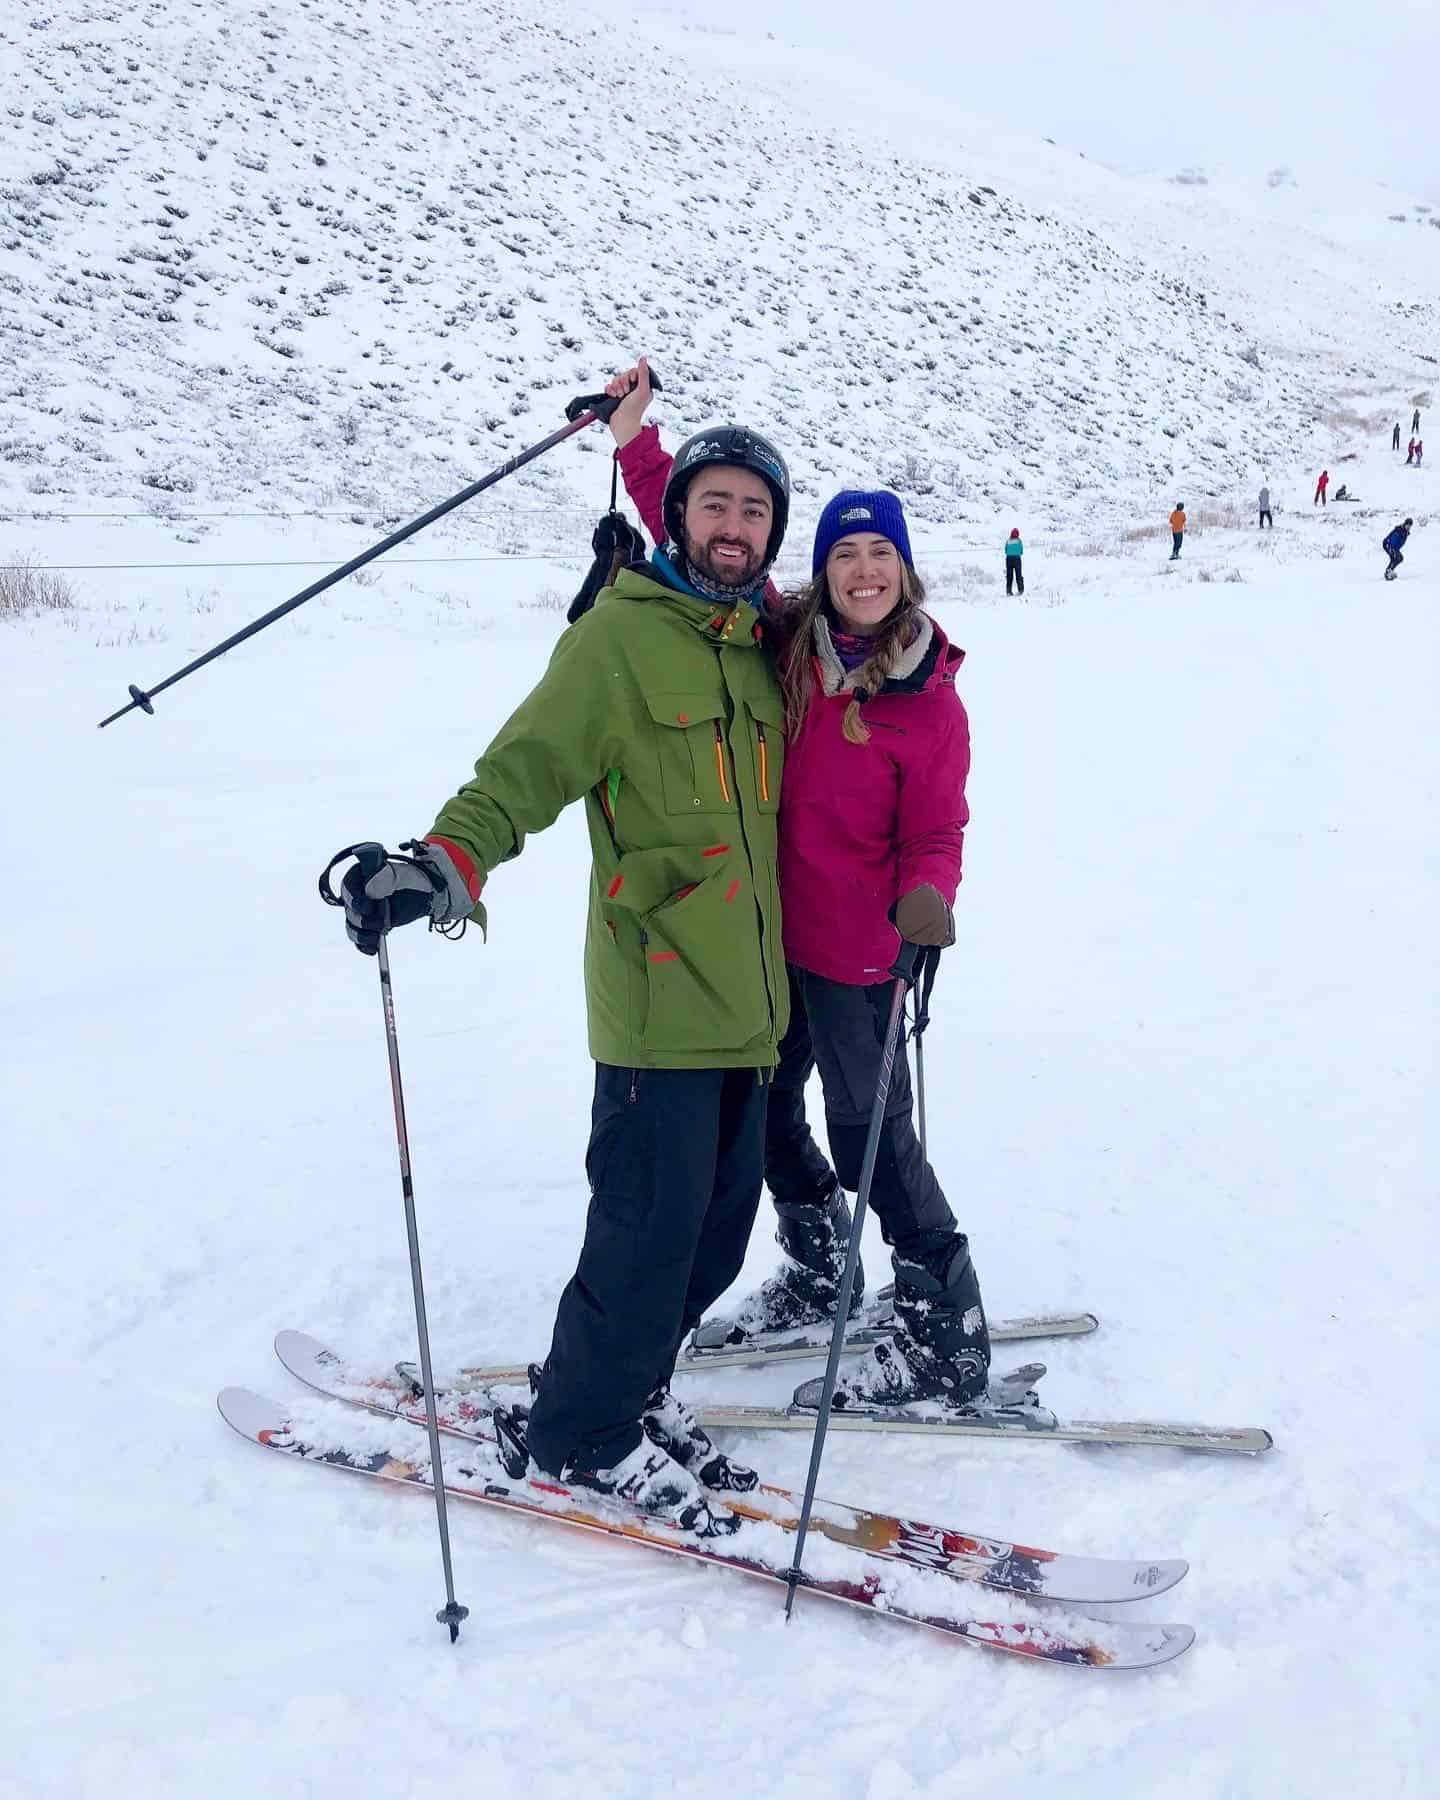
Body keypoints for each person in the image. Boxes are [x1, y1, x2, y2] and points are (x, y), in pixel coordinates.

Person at [336, 398, 797, 1536]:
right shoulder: (618, 638)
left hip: (753, 1006)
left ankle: (628, 1386)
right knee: (644, 1236)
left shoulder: (762, 647)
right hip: (658, 997)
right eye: (714, 504)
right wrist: (442, 862)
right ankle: (580, 1437)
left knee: (716, 1232)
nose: (733, 526)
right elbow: (524, 769)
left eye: (754, 511)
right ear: (679, 518)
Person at [607, 361, 994, 1415]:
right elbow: (700, 532)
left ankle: (946, 1332)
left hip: (864, 956)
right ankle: (824, 1267)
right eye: (844, 555)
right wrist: (638, 444)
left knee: (875, 1140)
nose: (864, 571)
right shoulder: (787, 643)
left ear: (904, 570)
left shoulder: (929, 700)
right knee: (766, 1114)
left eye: (881, 554)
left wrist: (929, 893)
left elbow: (937, 830)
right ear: (822, 572)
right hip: (771, 940)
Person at [1004, 526, 1025, 594]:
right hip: (1017, 559)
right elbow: (1021, 551)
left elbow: (1005, 550)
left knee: (1009, 575)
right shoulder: (1019, 541)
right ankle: (1020, 590)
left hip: (1009, 559)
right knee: (1018, 575)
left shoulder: (1008, 541)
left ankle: (1008, 591)